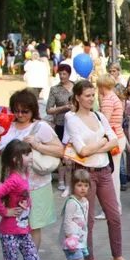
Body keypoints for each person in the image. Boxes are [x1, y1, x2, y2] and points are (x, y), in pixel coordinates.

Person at [64, 80, 130, 260]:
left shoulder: (99, 115)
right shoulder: (72, 118)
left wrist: (100, 145)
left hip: (104, 170)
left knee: (114, 215)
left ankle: (117, 255)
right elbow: (82, 150)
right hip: (85, 173)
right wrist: (102, 143)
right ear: (77, 97)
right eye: (87, 95)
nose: (91, 99)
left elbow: (113, 142)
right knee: (88, 219)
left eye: (93, 95)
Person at [0, 89, 63, 249]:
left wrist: (37, 145)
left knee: (33, 224)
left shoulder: (40, 127)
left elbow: (60, 150)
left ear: (33, 109)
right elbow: (0, 150)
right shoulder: (8, 126)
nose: (20, 115)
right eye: (16, 110)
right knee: (14, 224)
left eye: (24, 111)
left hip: (35, 185)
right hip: (12, 185)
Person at [58, 169, 92, 260]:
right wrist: (70, 237)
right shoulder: (72, 202)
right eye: (79, 185)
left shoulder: (85, 201)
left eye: (85, 185)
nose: (83, 188)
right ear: (73, 186)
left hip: (81, 239)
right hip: (72, 241)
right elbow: (67, 221)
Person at [97, 74, 126, 212]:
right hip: (119, 137)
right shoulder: (115, 98)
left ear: (102, 86)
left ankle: (112, 208)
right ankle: (115, 206)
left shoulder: (108, 100)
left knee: (111, 176)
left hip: (112, 140)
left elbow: (105, 122)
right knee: (114, 176)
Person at [46, 63, 74, 196]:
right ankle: (61, 180)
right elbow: (49, 109)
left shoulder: (75, 86)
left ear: (69, 74)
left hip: (74, 123)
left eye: (64, 74)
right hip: (61, 123)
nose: (62, 76)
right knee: (61, 152)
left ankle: (73, 178)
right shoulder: (55, 89)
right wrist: (63, 108)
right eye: (60, 74)